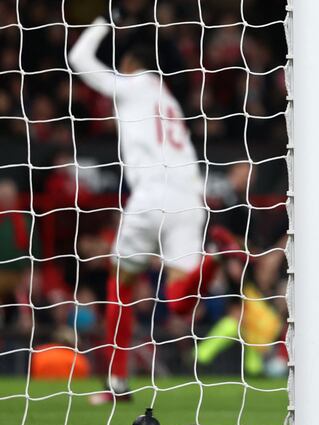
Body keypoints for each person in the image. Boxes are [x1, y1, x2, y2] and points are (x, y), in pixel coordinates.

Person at [69, 18, 238, 404]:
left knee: (120, 285)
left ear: (129, 64)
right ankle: (213, 258)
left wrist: (102, 21)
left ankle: (117, 383)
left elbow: (78, 57)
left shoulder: (132, 86)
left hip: (152, 192)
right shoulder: (170, 101)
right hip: (189, 199)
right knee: (180, 300)